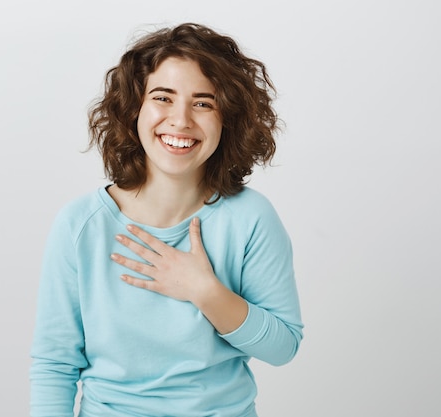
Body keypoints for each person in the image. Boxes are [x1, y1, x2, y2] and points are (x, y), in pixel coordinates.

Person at [30, 22, 304, 417]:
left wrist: (205, 291)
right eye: (163, 97)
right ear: (133, 108)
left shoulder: (251, 218)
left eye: (203, 102)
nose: (180, 120)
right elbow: (54, 365)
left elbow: (283, 348)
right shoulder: (81, 225)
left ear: (228, 118)